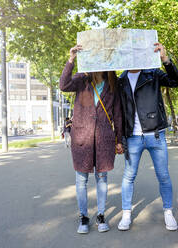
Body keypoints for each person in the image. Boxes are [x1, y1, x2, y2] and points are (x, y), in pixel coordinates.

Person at [117, 42, 178, 231]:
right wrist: (120, 138)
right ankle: (126, 213)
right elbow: (118, 112)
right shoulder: (120, 80)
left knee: (163, 175)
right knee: (128, 177)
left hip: (155, 134)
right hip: (133, 137)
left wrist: (165, 60)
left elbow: (176, 81)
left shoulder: (152, 73)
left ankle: (168, 212)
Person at [60, 45, 124, 234]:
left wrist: (119, 139)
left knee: (102, 178)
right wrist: (71, 60)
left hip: (104, 139)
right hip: (82, 138)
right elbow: (63, 85)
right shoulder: (82, 79)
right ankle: (84, 216)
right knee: (81, 179)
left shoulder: (114, 84)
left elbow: (118, 114)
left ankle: (101, 215)